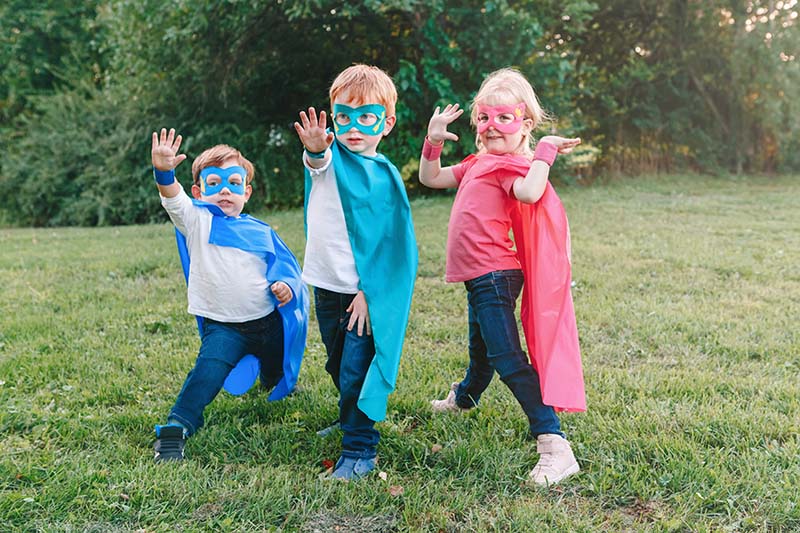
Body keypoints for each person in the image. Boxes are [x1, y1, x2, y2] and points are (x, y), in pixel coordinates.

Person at [419, 68, 586, 486]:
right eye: (484, 118)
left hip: (496, 275)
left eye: (503, 118)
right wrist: (434, 140)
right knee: (482, 350)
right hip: (479, 278)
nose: (491, 126)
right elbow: (431, 178)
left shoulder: (512, 166)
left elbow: (530, 192)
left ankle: (554, 444)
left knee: (507, 357)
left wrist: (544, 151)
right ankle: (465, 397)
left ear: (525, 123)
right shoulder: (479, 162)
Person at [150, 128, 308, 462]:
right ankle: (178, 426)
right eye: (214, 183)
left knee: (276, 363)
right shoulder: (196, 220)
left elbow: (283, 265)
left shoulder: (260, 230)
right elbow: (172, 197)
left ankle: (274, 380)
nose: (225, 190)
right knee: (205, 375)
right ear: (199, 190)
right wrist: (164, 171)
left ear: (246, 192)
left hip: (268, 321)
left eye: (234, 183)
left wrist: (285, 286)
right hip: (225, 329)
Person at [293, 65, 418, 481]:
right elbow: (318, 163)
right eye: (343, 116)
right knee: (336, 363)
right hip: (327, 287)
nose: (354, 127)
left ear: (387, 121)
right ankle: (351, 416)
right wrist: (315, 149)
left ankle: (360, 449)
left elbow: (390, 245)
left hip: (364, 295)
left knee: (356, 370)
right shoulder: (331, 161)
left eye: (367, 116)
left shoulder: (384, 177)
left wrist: (370, 293)